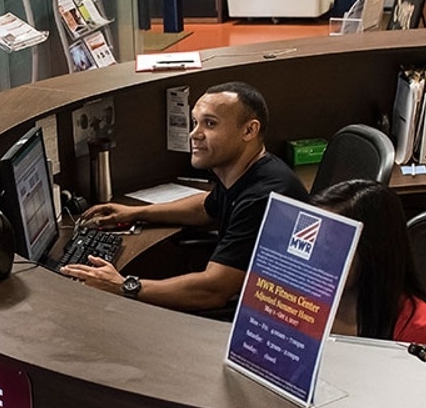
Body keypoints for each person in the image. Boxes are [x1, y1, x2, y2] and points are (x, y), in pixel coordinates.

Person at [62, 81, 308, 313]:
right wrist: (135, 212)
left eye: (210, 124)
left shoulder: (264, 196)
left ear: (249, 130)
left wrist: (124, 285)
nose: (194, 134)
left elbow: (213, 291)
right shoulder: (244, 171)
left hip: (262, 317)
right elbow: (205, 208)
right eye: (195, 122)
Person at [310, 179, 426, 343]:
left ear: (373, 252)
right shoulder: (302, 302)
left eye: (329, 249)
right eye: (313, 245)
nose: (314, 259)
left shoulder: (417, 330)